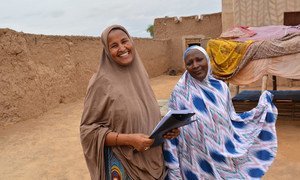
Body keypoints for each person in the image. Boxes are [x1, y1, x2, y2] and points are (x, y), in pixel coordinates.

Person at [80, 24, 179, 180]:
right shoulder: (100, 82)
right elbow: (88, 130)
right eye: (114, 45)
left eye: (124, 41)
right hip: (125, 166)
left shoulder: (141, 74)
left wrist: (166, 128)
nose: (121, 48)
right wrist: (129, 140)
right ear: (107, 51)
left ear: (131, 42)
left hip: (155, 162)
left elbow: (143, 113)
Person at [163, 45, 278, 179]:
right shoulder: (180, 92)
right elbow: (172, 125)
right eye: (189, 63)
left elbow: (231, 118)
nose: (195, 65)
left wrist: (259, 112)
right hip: (194, 158)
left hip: (221, 153)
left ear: (207, 60)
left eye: (199, 60)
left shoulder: (221, 88)